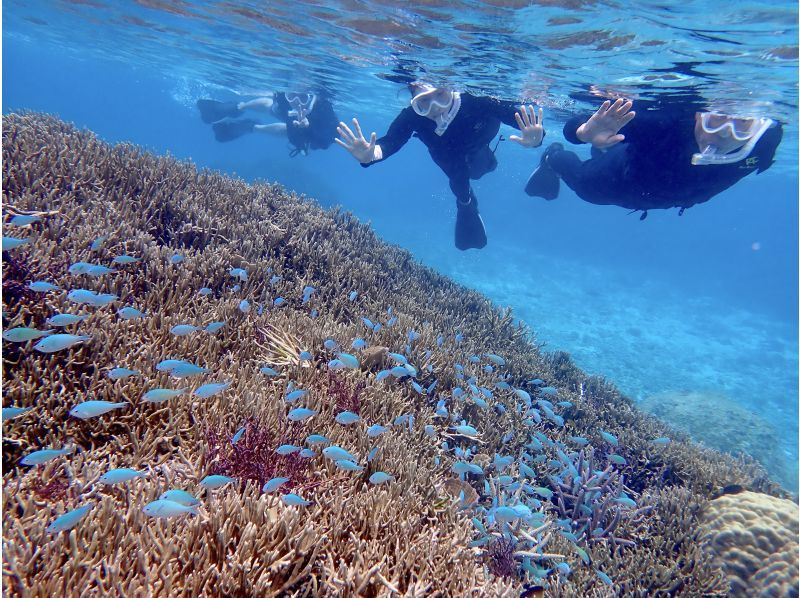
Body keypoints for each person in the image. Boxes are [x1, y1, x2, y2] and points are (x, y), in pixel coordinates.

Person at [335, 83, 546, 250]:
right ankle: (466, 205)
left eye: (441, 96)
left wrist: (536, 138)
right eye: (423, 103)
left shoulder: (477, 99)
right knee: (460, 184)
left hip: (478, 143)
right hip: (446, 154)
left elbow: (520, 119)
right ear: (413, 103)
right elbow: (390, 142)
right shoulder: (411, 116)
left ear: (452, 88)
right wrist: (369, 155)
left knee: (484, 169)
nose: (435, 108)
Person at [525, 97, 783, 219]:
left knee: (615, 143)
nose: (724, 135)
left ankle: (604, 148)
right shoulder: (666, 124)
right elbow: (583, 124)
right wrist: (583, 132)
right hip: (620, 180)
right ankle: (552, 157)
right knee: (584, 186)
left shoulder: (764, 143)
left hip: (660, 184)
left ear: (759, 127)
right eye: (714, 121)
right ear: (697, 114)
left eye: (743, 127)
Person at [197, 92, 339, 156]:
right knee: (273, 107)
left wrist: (308, 128)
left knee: (291, 132)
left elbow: (324, 141)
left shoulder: (325, 113)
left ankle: (251, 127)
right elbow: (274, 102)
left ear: (315, 98)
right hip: (288, 112)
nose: (297, 101)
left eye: (303, 98)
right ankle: (238, 107)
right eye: (292, 95)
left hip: (311, 131)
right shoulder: (288, 99)